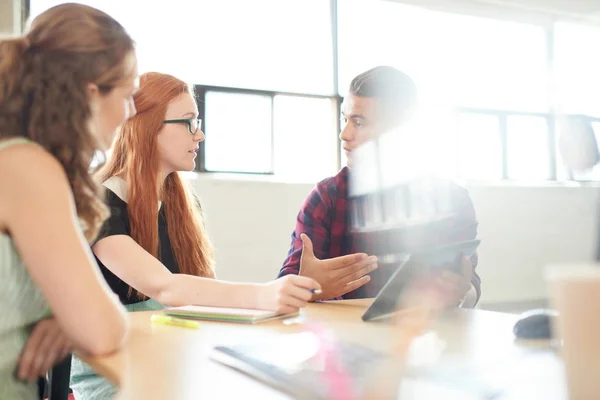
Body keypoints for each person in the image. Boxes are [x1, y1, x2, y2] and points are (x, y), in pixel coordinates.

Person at [70, 71, 322, 399]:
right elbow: (165, 286)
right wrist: (263, 294)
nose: (199, 134)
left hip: (177, 358)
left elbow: (208, 295)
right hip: (114, 373)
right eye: (189, 121)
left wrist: (301, 290)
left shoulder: (184, 206)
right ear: (145, 125)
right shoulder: (100, 203)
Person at [0, 3, 138, 398]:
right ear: (89, 94)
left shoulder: (17, 159)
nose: (130, 112)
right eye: (128, 95)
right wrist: (79, 317)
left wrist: (66, 315)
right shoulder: (27, 167)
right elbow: (103, 331)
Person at [278, 66, 481, 307]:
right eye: (345, 119)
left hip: (423, 337)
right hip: (340, 337)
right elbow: (285, 285)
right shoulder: (326, 198)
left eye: (359, 122)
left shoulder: (452, 200)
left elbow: (470, 285)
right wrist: (307, 286)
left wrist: (461, 293)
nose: (344, 134)